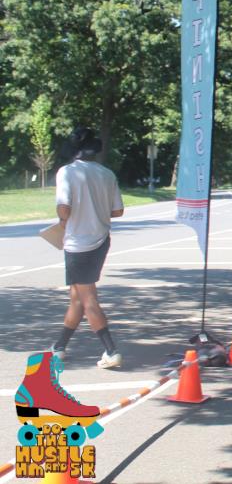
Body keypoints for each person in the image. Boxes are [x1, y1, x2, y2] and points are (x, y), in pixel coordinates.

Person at [51, 127, 125, 369]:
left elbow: (64, 208)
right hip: (101, 241)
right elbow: (117, 211)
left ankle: (111, 351)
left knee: (88, 299)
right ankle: (59, 347)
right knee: (77, 297)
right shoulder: (107, 174)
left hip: (78, 244)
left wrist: (63, 219)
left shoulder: (67, 172)